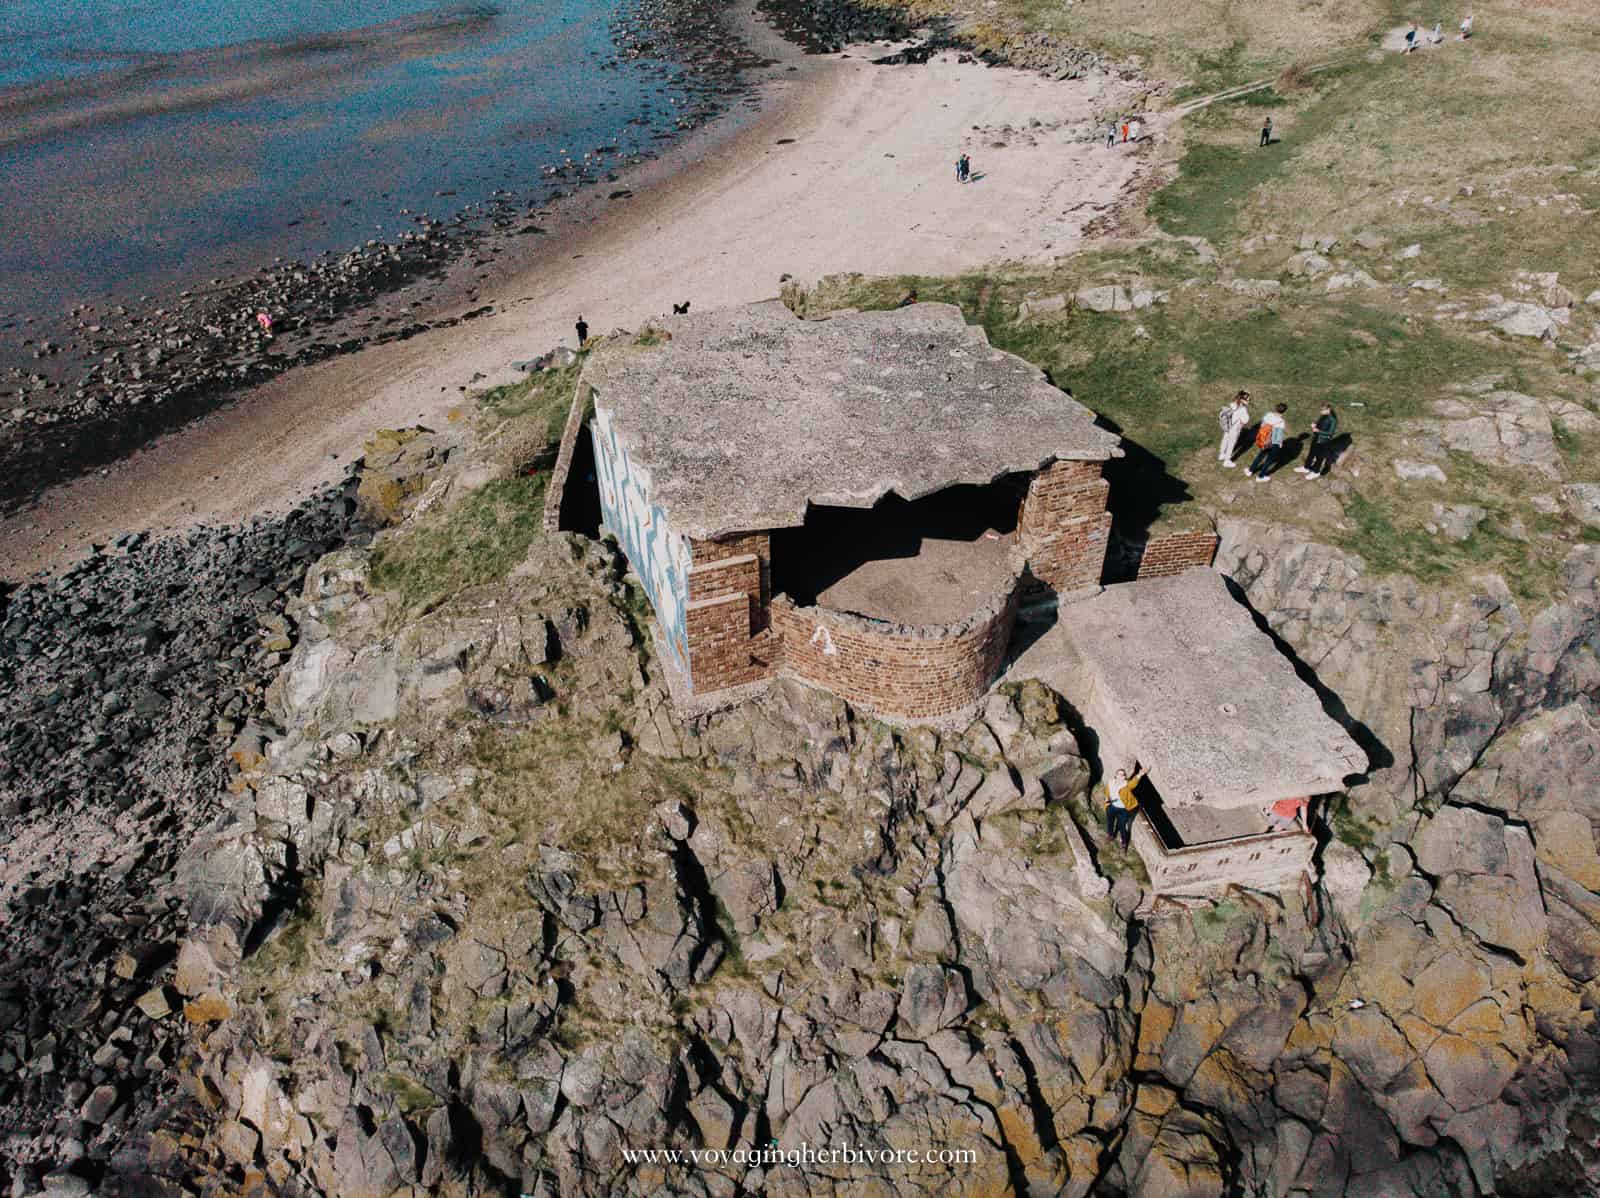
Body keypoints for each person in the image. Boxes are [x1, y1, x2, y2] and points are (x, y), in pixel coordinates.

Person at [1104, 763, 1147, 849]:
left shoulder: (1126, 785)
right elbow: (1107, 792)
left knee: (1122, 826)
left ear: (1124, 777)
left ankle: (1124, 843)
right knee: (1110, 822)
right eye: (1119, 774)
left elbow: (1133, 782)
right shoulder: (1110, 782)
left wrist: (1140, 774)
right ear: (1115, 775)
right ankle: (1110, 836)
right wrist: (1106, 801)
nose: (1121, 775)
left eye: (1123, 775)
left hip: (1124, 809)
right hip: (1112, 807)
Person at [1246, 403, 1288, 482]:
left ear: (1276, 408)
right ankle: (1260, 476)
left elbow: (1262, 424)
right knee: (1269, 460)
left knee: (1260, 455)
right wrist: (1280, 444)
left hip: (1264, 440)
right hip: (1273, 443)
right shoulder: (1281, 422)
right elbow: (1278, 436)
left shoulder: (1268, 415)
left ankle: (1250, 471)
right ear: (1284, 412)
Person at [1298, 403, 1340, 478]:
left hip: (1323, 441)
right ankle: (1306, 467)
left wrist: (1318, 430)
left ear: (1328, 409)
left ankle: (1316, 472)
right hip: (1316, 438)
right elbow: (1321, 425)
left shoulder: (1333, 420)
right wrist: (1315, 425)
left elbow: (1330, 433)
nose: (1320, 412)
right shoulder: (1324, 415)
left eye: (1322, 410)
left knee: (1319, 457)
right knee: (1311, 453)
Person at [1218, 390, 1251, 467]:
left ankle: (1222, 454)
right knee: (1231, 444)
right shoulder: (1243, 410)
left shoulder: (1232, 404)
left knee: (1225, 439)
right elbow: (1245, 420)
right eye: (1248, 399)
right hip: (1235, 429)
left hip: (1227, 426)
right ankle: (1227, 461)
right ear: (1243, 399)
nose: (1249, 400)